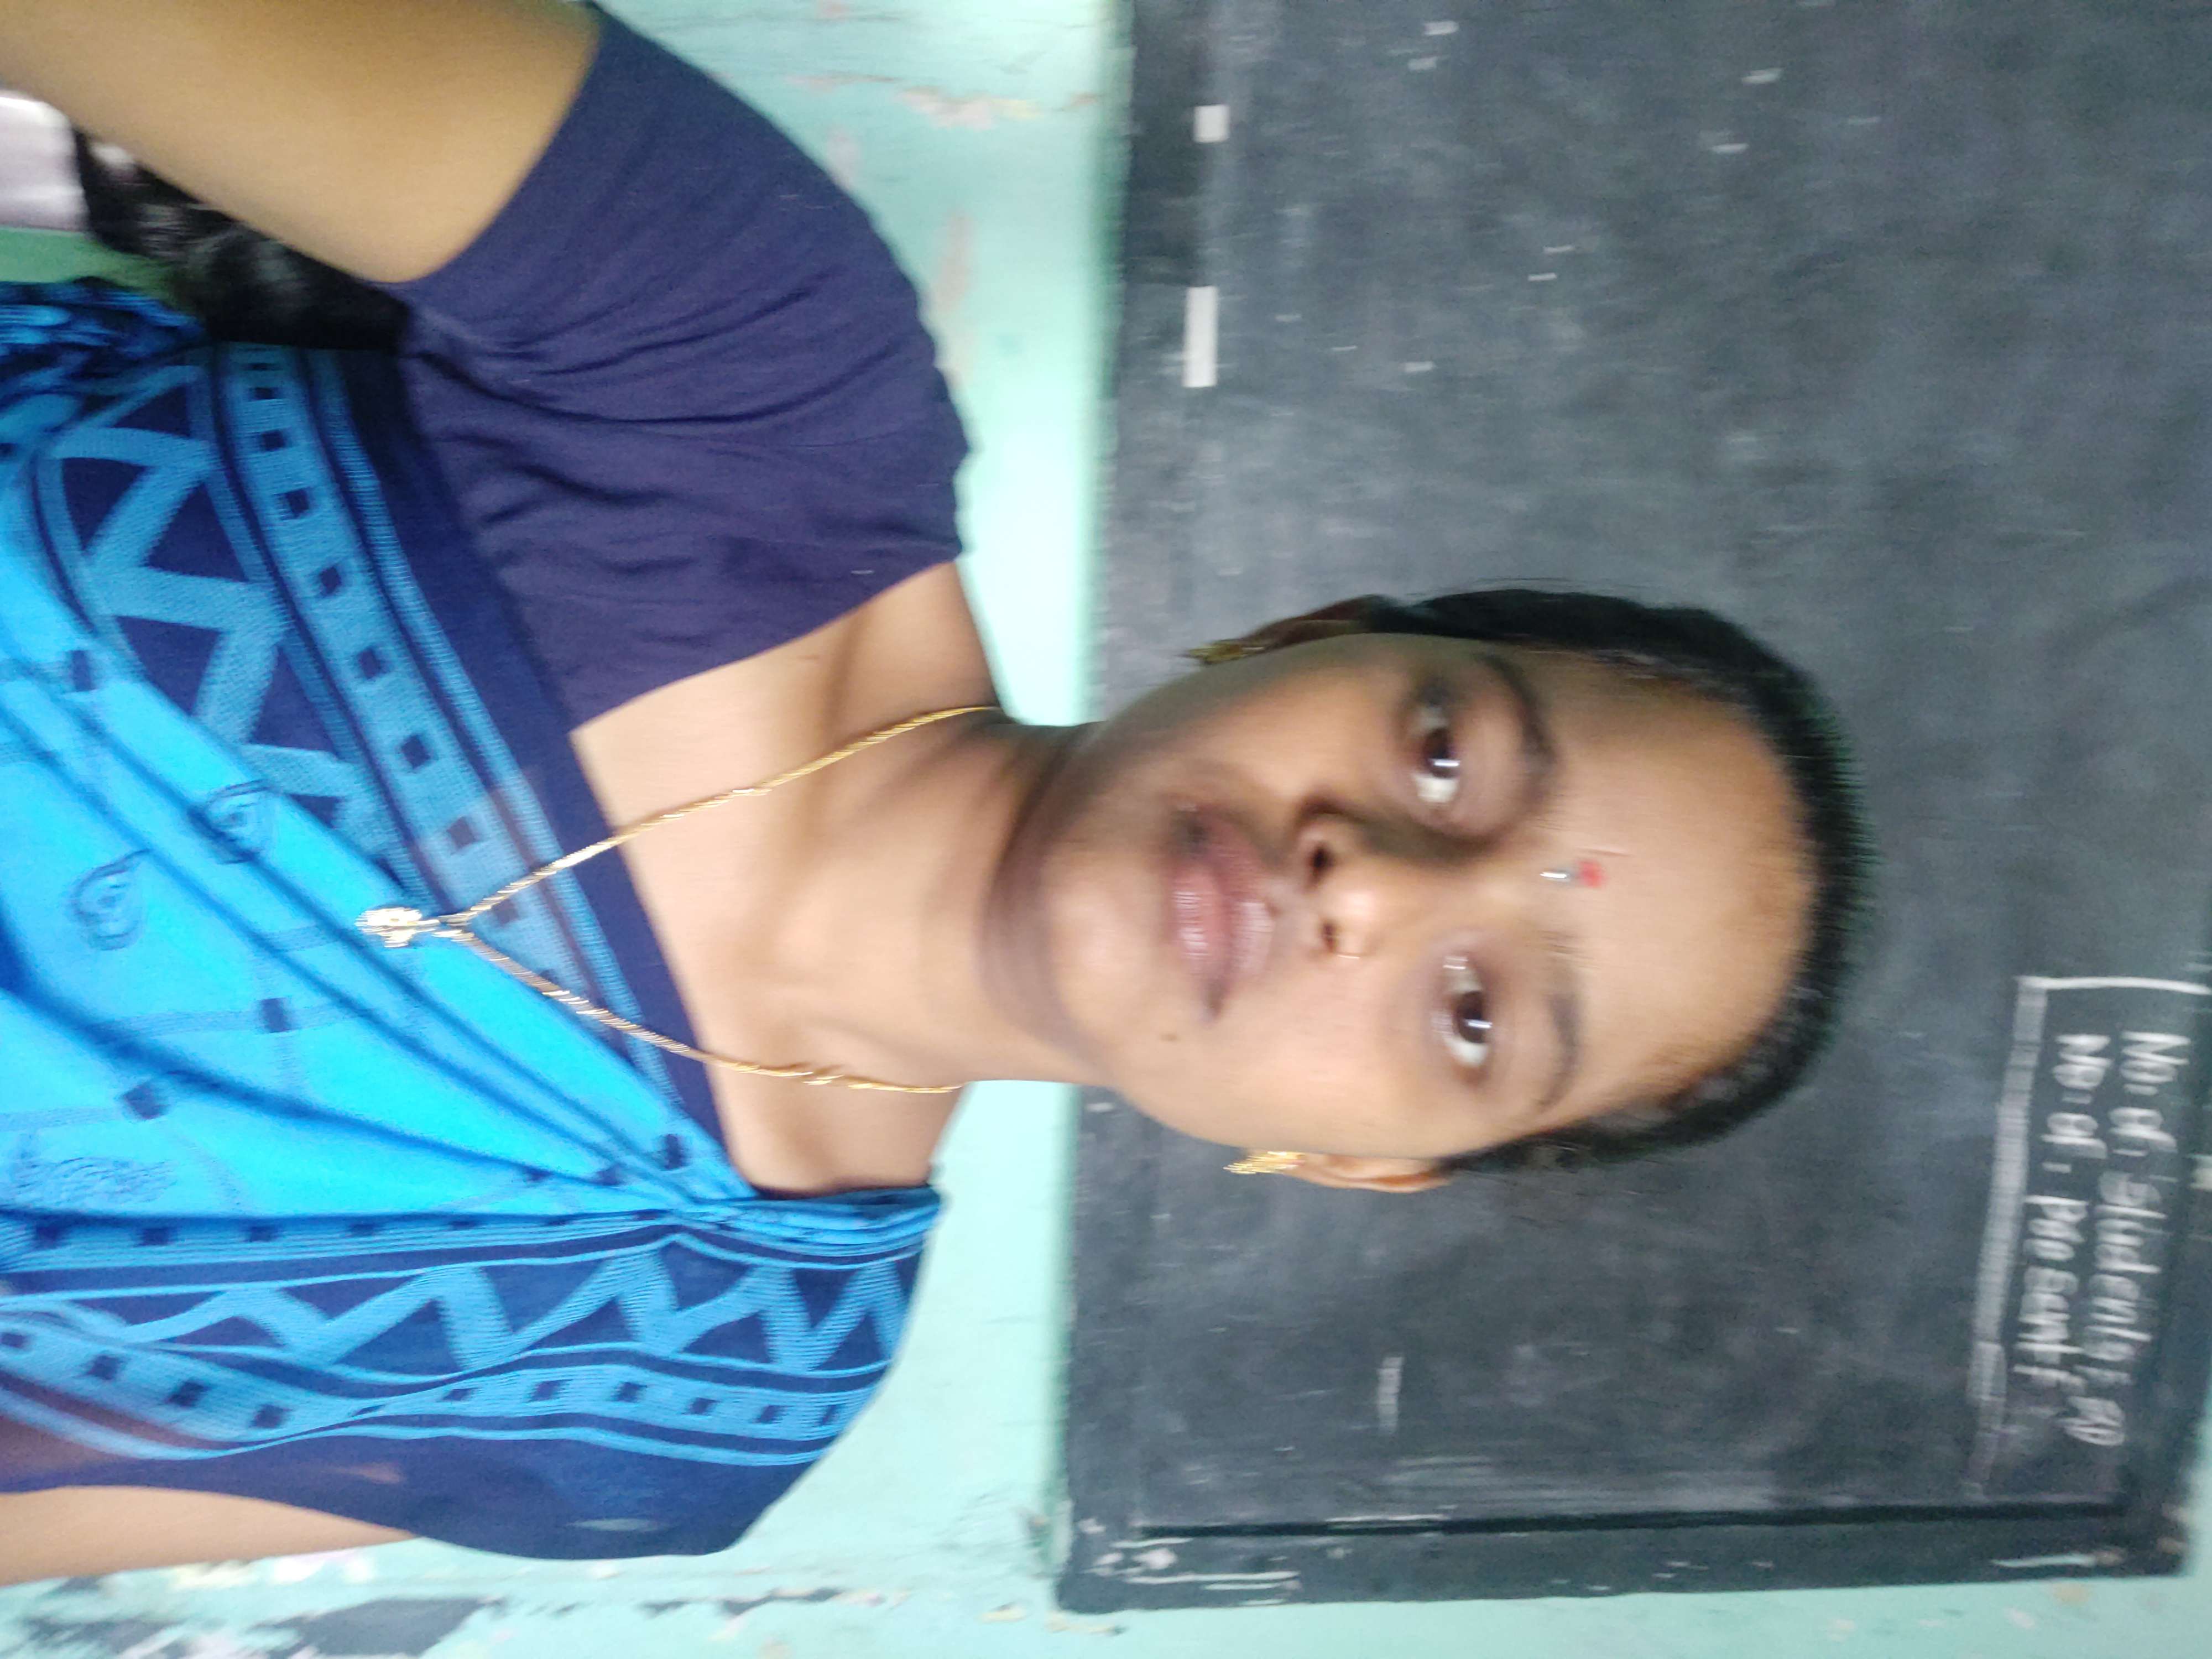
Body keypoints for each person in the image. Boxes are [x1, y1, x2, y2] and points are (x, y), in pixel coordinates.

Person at [0, 0, 1866, 1579]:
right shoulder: (750, 365)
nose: (1368, 887)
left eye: (1473, 1017)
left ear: (1360, 1165)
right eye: (1448, 755)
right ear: (1315, 632)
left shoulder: (699, 1393)